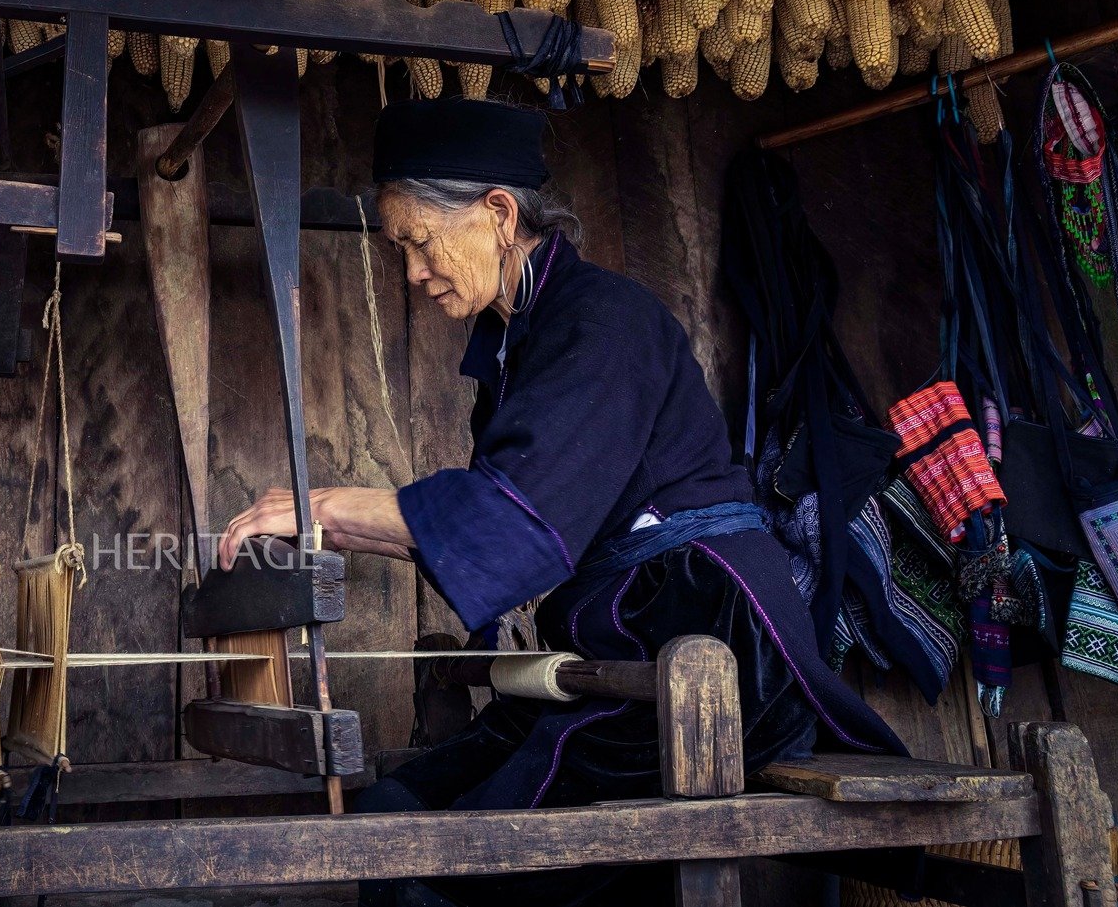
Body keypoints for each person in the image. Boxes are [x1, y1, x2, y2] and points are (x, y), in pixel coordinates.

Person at [216, 98, 903, 906]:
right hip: (620, 657)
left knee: (445, 872)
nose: (410, 272)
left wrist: (321, 506)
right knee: (394, 813)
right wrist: (329, 518)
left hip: (706, 649)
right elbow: (487, 530)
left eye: (419, 242)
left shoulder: (602, 325)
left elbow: (507, 520)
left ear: (498, 214)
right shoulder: (521, 344)